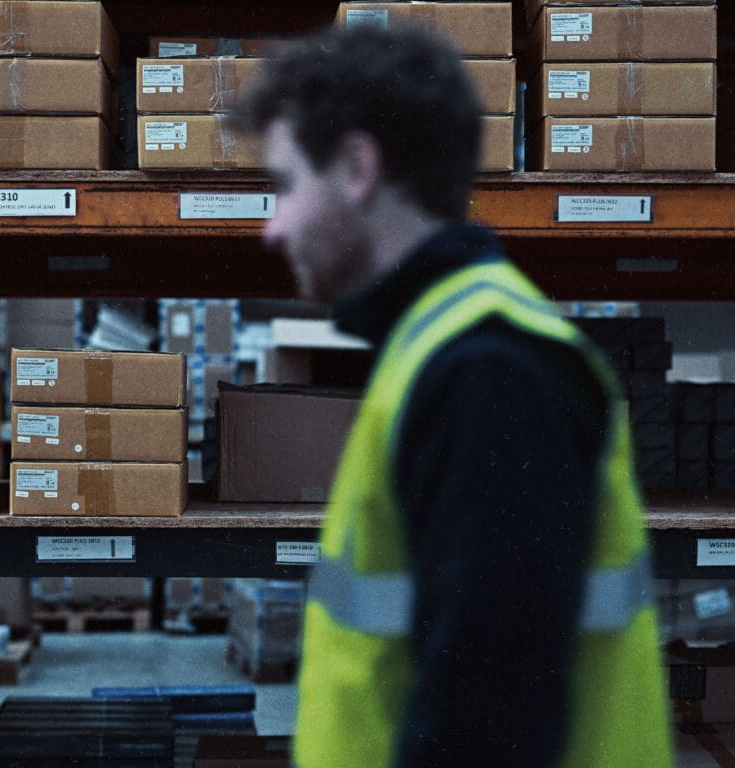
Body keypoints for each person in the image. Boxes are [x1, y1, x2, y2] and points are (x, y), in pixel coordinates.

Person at [230, 23, 672, 768]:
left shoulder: (488, 370)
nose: (272, 229)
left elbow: (489, 723)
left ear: (356, 168)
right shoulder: (442, 347)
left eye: (283, 187)